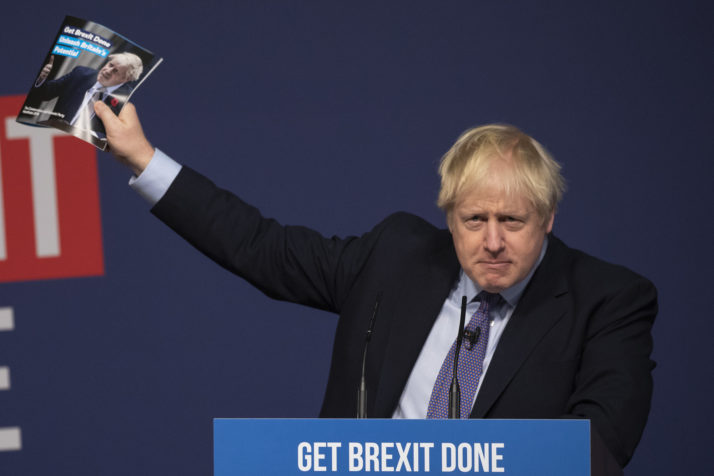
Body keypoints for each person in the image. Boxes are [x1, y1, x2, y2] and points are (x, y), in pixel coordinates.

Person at [95, 102, 657, 474]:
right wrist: (143, 158)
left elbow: (597, 448)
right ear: (448, 216)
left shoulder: (608, 301)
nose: (491, 242)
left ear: (548, 218)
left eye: (511, 221)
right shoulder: (397, 257)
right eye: (473, 220)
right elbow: (262, 248)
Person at [31, 52, 143, 132]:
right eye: (110, 65)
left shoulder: (127, 98)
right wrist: (41, 79)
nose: (108, 71)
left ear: (126, 79)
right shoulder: (80, 74)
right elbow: (45, 93)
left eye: (115, 71)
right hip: (54, 135)